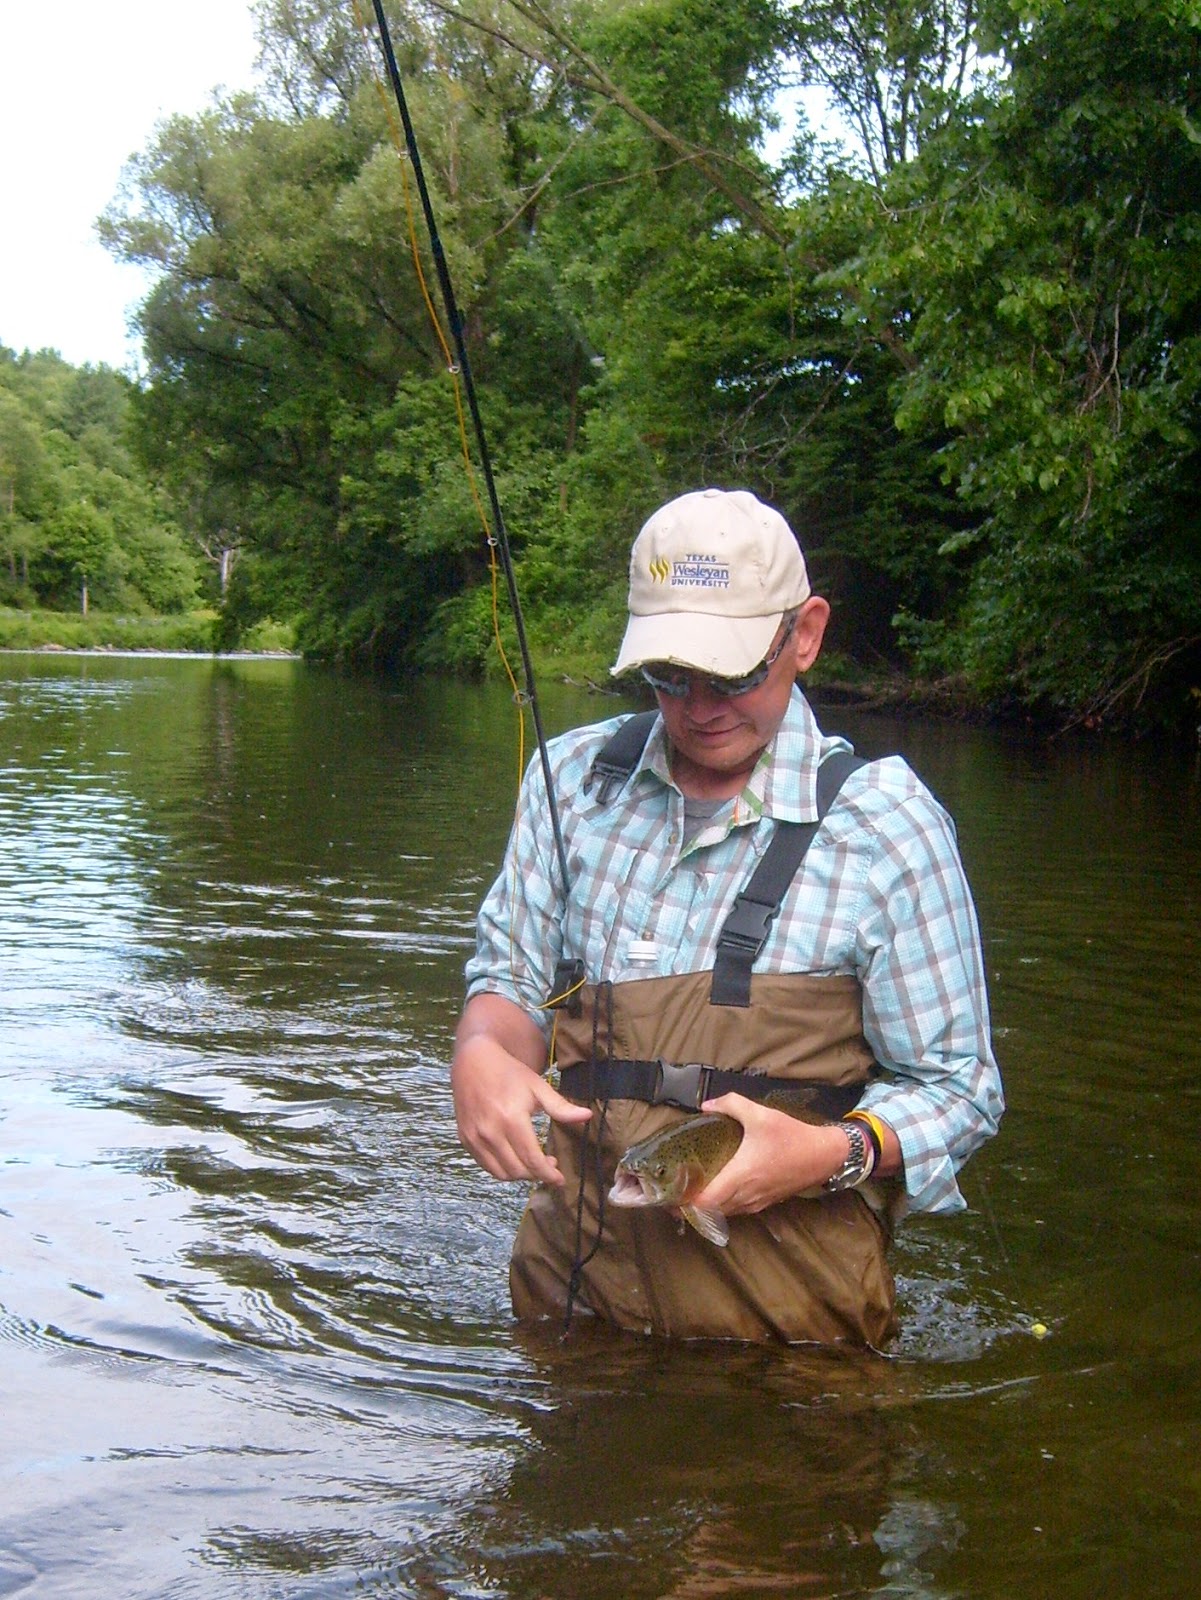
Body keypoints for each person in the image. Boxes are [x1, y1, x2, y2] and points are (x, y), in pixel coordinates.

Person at [452, 487, 1003, 1345]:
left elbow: (959, 1090)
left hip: (792, 1351)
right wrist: (483, 1052)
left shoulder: (886, 826)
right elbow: (510, 982)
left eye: (734, 673)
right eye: (669, 675)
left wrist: (831, 1154)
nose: (699, 706)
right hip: (570, 1316)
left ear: (805, 635)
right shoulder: (568, 783)